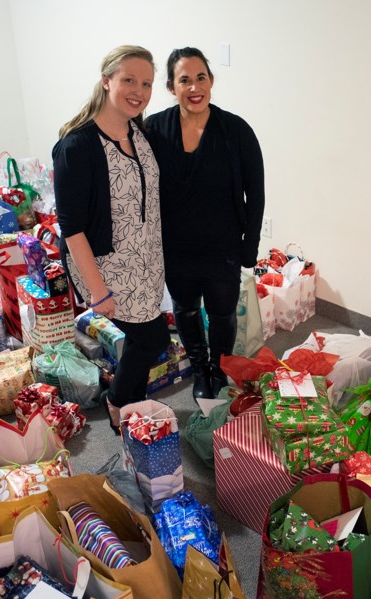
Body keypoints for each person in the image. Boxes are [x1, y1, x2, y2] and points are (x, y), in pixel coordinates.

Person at [53, 45, 168, 432]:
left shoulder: (140, 131)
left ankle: (130, 400)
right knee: (150, 338)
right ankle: (117, 401)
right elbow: (72, 228)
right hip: (107, 266)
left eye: (147, 83)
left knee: (149, 337)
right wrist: (98, 292)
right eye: (129, 80)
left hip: (146, 258)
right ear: (106, 82)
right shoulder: (77, 146)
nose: (139, 90)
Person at [146, 47, 264, 400]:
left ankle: (219, 368)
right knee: (184, 309)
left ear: (211, 81)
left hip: (222, 245)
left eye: (201, 78)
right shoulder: (154, 129)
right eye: (185, 80)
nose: (194, 87)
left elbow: (255, 193)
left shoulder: (236, 130)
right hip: (176, 246)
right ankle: (199, 368)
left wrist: (250, 247)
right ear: (171, 87)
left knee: (223, 313)